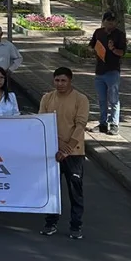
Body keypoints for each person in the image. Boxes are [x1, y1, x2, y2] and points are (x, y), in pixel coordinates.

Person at [40, 67, 88, 239]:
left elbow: (80, 125)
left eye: (63, 81)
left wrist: (67, 149)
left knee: (75, 190)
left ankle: (76, 226)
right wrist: (56, 147)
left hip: (74, 153)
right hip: (52, 152)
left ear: (70, 81)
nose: (60, 84)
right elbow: (42, 123)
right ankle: (50, 223)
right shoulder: (47, 98)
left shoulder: (80, 99)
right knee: (52, 189)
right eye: (57, 80)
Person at [89, 10, 126, 135]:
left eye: (113, 21)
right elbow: (91, 46)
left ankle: (114, 124)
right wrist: (95, 51)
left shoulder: (119, 35)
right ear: (104, 21)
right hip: (99, 71)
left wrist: (113, 49)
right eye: (108, 20)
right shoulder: (98, 32)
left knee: (113, 99)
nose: (110, 23)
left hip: (112, 71)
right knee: (102, 100)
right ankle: (103, 123)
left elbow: (122, 53)